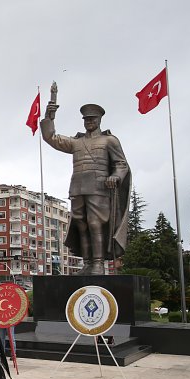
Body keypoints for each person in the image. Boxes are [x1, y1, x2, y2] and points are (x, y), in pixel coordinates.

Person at [41, 102, 130, 275]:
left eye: (92, 119)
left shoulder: (109, 140)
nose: (89, 122)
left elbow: (121, 164)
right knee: (81, 225)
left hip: (99, 187)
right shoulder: (76, 142)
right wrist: (49, 118)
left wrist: (116, 176)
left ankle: (98, 264)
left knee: (95, 223)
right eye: (86, 119)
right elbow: (50, 137)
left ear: (99, 120)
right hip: (77, 187)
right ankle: (88, 263)